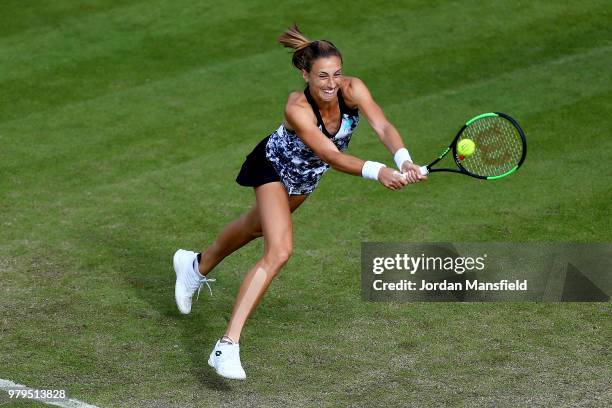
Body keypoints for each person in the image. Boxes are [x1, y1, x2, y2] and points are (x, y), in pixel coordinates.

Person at [172, 24, 427, 380]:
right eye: (322, 75)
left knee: (252, 228)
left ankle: (194, 266)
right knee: (279, 250)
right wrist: (378, 171)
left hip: (304, 179)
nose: (331, 83)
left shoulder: (353, 90)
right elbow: (332, 155)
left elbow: (382, 126)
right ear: (305, 74)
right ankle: (226, 346)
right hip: (271, 168)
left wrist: (403, 160)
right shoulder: (297, 107)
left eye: (336, 74)